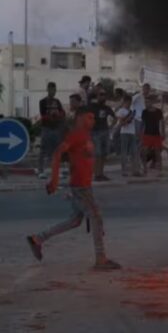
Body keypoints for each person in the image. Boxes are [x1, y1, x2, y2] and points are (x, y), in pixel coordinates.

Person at [26, 108, 122, 271]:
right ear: (80, 118)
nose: (93, 121)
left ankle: (37, 239)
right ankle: (101, 259)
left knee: (75, 220)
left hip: (83, 186)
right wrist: (54, 180)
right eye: (90, 117)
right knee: (96, 217)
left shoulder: (85, 135)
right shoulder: (76, 135)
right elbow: (57, 153)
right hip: (80, 187)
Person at [38, 82, 66, 178]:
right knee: (44, 149)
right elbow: (43, 115)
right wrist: (51, 116)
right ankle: (40, 170)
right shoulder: (43, 101)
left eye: (54, 90)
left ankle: (55, 170)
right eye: (51, 89)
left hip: (56, 128)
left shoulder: (57, 101)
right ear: (48, 90)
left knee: (56, 150)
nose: (53, 92)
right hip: (46, 128)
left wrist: (58, 115)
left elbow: (63, 112)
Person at [88, 89, 116, 181]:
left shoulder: (107, 108)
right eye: (100, 94)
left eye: (104, 95)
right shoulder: (93, 107)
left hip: (104, 131)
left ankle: (101, 173)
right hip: (95, 132)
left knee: (104, 154)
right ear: (97, 96)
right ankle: (97, 174)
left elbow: (114, 117)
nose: (102, 96)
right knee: (98, 153)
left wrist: (110, 126)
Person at [115, 95, 140, 177]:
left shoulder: (132, 111)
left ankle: (135, 170)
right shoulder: (121, 111)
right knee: (124, 152)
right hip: (124, 133)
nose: (129, 104)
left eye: (130, 102)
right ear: (125, 102)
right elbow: (121, 123)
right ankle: (124, 170)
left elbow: (134, 122)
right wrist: (127, 120)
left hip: (132, 132)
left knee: (134, 152)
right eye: (128, 102)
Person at [140, 95, 165, 175]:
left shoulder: (158, 112)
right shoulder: (144, 112)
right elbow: (143, 124)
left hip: (156, 134)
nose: (146, 104)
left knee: (158, 152)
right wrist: (141, 135)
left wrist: (163, 132)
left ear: (152, 102)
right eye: (145, 102)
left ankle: (160, 170)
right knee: (144, 152)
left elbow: (162, 122)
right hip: (147, 134)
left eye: (147, 102)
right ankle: (144, 168)